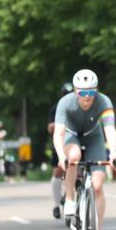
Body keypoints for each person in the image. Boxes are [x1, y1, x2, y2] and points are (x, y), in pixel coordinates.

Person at [53, 69, 116, 230]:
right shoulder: (65, 103)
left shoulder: (104, 102)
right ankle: (69, 199)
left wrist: (114, 153)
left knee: (98, 186)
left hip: (94, 136)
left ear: (96, 91)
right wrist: (61, 155)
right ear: (76, 91)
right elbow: (58, 133)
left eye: (91, 92)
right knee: (73, 156)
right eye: (83, 92)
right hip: (71, 134)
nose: (87, 97)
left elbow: (110, 129)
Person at [48, 82, 74, 218]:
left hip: (76, 141)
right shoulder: (57, 108)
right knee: (57, 172)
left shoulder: (78, 107)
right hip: (62, 142)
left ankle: (72, 194)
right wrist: (57, 125)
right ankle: (56, 204)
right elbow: (50, 127)